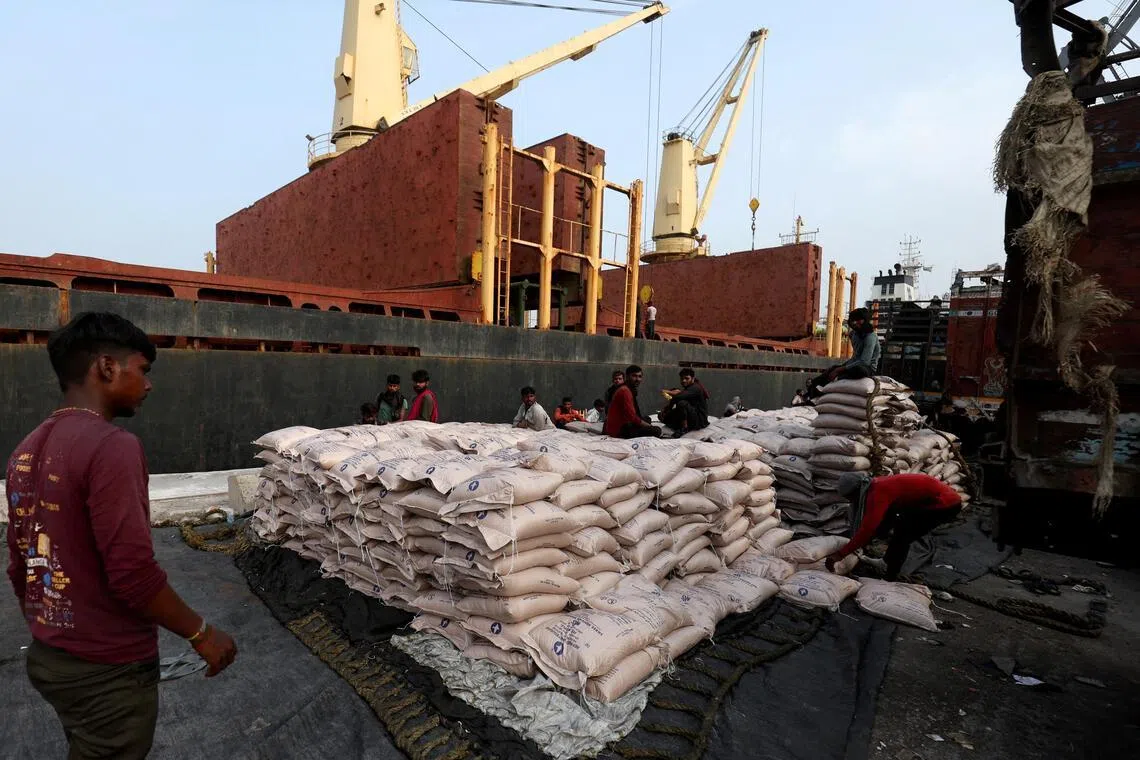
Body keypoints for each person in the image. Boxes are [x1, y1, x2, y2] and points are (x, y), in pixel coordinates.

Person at [5, 312, 237, 759]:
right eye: (142, 370)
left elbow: (20, 565)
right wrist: (202, 634)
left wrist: (49, 628)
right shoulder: (113, 446)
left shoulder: (25, 450)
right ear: (107, 367)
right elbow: (131, 574)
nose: (148, 384)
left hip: (51, 657)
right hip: (106, 669)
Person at [825, 472, 963, 581]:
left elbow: (868, 528)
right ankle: (885, 561)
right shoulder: (874, 484)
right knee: (899, 523)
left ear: (856, 491)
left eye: (850, 498)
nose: (851, 501)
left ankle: (891, 576)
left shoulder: (878, 493)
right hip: (925, 501)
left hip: (944, 505)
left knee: (903, 535)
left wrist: (840, 554)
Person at [807, 308, 882, 400]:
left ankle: (831, 385)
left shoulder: (870, 337)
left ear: (865, 321)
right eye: (853, 320)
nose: (855, 323)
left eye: (858, 320)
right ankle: (812, 389)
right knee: (832, 369)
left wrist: (840, 370)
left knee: (856, 370)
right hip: (854, 363)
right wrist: (838, 368)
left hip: (867, 367)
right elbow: (855, 357)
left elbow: (864, 361)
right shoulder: (853, 334)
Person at [603, 365, 661, 439]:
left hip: (622, 425)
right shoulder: (625, 391)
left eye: (640, 376)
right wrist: (650, 427)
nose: (637, 379)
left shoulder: (628, 389)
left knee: (647, 419)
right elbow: (632, 417)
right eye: (634, 376)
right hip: (619, 430)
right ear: (627, 377)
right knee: (657, 430)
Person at [660, 368, 710, 436]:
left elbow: (678, 397)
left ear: (693, 378)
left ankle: (684, 428)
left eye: (686, 378)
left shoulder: (695, 388)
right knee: (665, 417)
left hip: (699, 420)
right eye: (682, 378)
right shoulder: (689, 388)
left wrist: (669, 407)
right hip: (692, 415)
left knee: (682, 403)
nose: (683, 380)